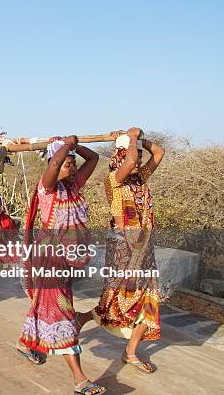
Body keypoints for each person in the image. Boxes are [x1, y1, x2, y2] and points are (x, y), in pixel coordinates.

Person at [17, 136, 106, 395]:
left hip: (67, 260)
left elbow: (94, 158)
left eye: (73, 164)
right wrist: (65, 145)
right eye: (68, 165)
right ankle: (80, 378)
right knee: (61, 311)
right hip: (50, 260)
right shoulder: (47, 189)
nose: (72, 168)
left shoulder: (74, 185)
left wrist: (75, 146)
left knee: (44, 306)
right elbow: (54, 165)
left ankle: (26, 343)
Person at [78, 127, 165, 374]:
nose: (135, 158)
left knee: (149, 302)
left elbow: (159, 151)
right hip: (123, 251)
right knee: (117, 300)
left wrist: (136, 138)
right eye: (130, 153)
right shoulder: (114, 181)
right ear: (119, 157)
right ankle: (82, 318)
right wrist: (131, 138)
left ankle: (130, 352)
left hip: (144, 250)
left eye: (136, 153)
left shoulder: (141, 178)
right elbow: (131, 160)